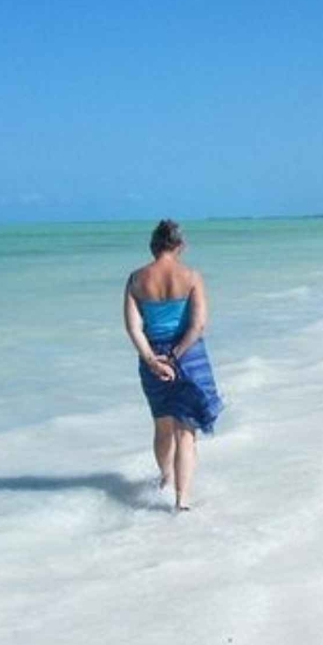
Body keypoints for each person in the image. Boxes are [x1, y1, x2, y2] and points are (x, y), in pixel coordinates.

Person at [123, 219, 223, 510]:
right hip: (189, 356)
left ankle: (165, 479)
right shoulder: (191, 277)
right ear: (180, 246)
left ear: (153, 246)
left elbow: (133, 328)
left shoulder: (136, 279)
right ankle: (182, 501)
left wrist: (153, 360)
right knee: (185, 432)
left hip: (152, 355)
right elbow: (198, 325)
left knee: (162, 425)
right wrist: (177, 356)